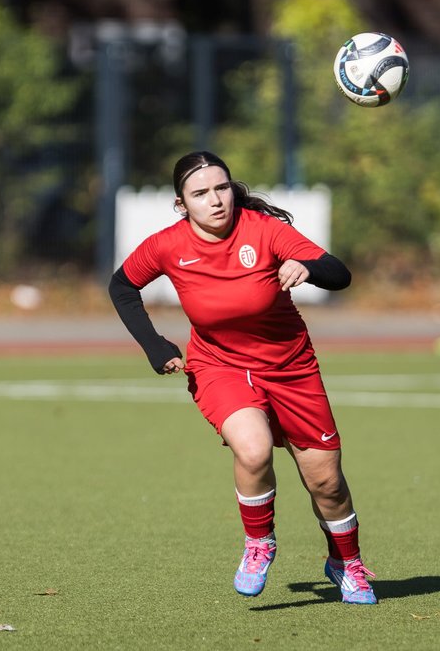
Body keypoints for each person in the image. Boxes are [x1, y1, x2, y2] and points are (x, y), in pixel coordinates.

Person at [109, 151, 376, 604]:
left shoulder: (264, 229)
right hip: (219, 366)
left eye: (221, 188)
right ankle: (259, 543)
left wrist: (308, 268)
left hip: (291, 368)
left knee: (326, 483)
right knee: (251, 451)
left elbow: (339, 273)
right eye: (200, 193)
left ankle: (345, 563)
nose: (215, 200)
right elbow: (122, 286)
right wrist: (154, 345)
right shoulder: (168, 245)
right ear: (181, 204)